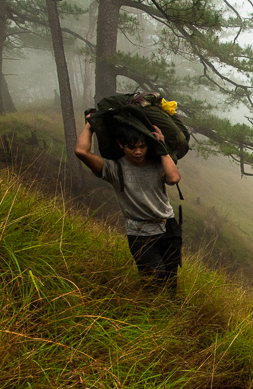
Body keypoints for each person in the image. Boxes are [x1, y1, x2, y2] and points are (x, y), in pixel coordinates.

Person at [74, 114, 183, 293]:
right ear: (120, 145)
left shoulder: (158, 163)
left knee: (170, 281)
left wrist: (162, 147)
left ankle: (170, 315)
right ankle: (150, 314)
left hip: (168, 228)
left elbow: (173, 177)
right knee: (155, 278)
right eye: (131, 147)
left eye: (142, 146)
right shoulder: (114, 169)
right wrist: (89, 126)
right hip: (140, 233)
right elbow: (81, 152)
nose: (138, 152)